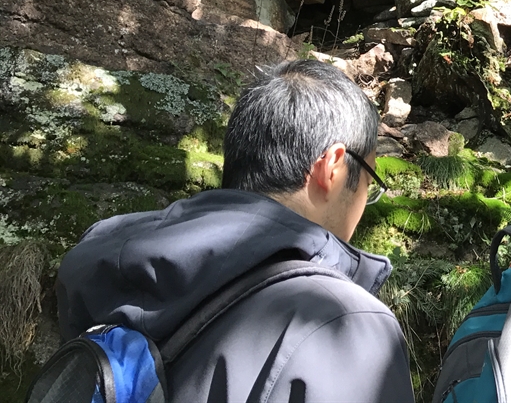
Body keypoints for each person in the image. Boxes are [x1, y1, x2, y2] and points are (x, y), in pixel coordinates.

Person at [55, 60, 415, 403]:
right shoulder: (344, 321)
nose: (366, 200)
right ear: (333, 168)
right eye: (369, 180)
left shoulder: (102, 281)